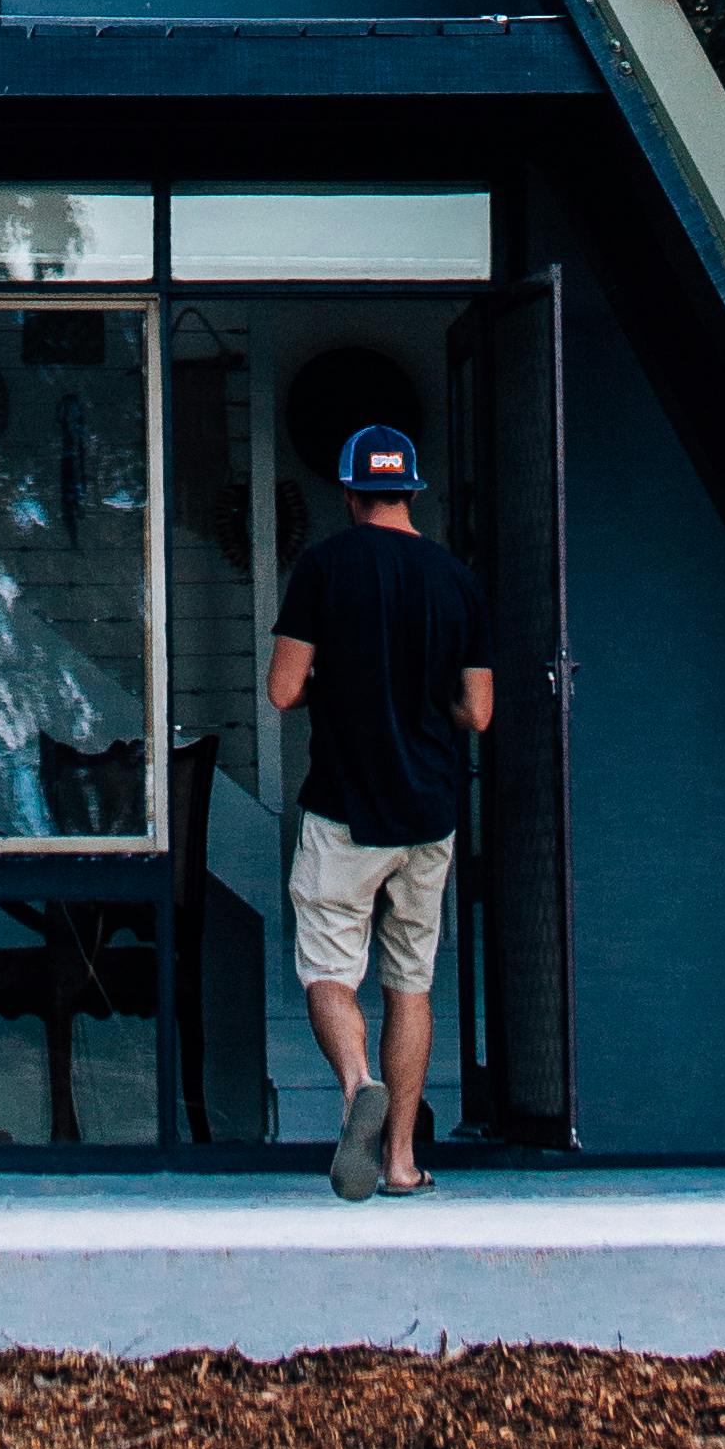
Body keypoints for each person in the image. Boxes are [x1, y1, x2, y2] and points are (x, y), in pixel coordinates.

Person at [266, 417, 494, 1200]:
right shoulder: (456, 578)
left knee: (329, 971)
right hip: (428, 813)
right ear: (410, 491)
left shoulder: (324, 567)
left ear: (349, 493)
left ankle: (357, 1080)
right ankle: (399, 1162)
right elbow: (480, 710)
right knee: (411, 983)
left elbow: (283, 690)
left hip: (344, 808)